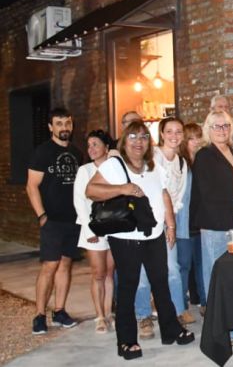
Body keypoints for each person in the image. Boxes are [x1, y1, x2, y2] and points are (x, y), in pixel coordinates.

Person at [86, 121, 194, 360]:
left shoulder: (153, 165)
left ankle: (171, 329)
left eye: (144, 137)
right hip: (126, 237)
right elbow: (91, 190)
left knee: (161, 283)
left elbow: (164, 194)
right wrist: (122, 188)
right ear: (124, 141)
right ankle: (126, 341)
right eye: (133, 136)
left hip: (154, 234)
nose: (139, 141)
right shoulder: (114, 165)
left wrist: (171, 225)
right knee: (128, 286)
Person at [133, 117, 193, 340]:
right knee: (142, 272)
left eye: (178, 131)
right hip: (145, 222)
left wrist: (171, 224)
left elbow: (177, 197)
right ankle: (143, 316)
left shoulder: (182, 162)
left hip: (168, 222)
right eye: (169, 131)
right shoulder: (151, 158)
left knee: (172, 269)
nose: (174, 136)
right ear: (161, 134)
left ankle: (175, 313)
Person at [191, 111, 233, 304]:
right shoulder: (204, 155)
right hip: (216, 223)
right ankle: (216, 317)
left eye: (226, 125)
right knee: (216, 272)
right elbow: (211, 193)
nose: (222, 130)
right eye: (217, 126)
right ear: (208, 129)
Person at [28, 107, 82, 335]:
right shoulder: (43, 152)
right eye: (59, 123)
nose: (64, 127)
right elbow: (31, 186)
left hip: (73, 219)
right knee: (50, 265)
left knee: (65, 265)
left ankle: (59, 311)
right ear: (51, 127)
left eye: (67, 123)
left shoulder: (77, 153)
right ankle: (39, 315)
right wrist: (42, 216)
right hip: (52, 220)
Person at [73, 129, 115, 334]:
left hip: (114, 227)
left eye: (95, 144)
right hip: (93, 229)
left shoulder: (115, 167)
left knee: (109, 273)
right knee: (98, 273)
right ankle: (99, 316)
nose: (91, 149)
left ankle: (108, 313)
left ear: (106, 147)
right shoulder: (85, 170)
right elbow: (79, 201)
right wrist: (89, 229)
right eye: (89, 145)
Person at [180, 123, 206, 314]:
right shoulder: (181, 163)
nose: (196, 142)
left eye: (198, 137)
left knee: (202, 264)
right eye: (191, 138)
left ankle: (205, 302)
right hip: (184, 222)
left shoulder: (204, 160)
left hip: (202, 221)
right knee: (183, 265)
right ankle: (181, 307)